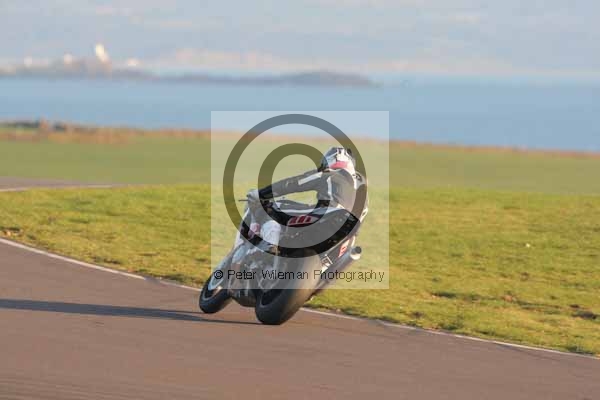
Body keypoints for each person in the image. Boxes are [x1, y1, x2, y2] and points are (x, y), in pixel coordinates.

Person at [244, 147, 368, 253]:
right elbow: (362, 215)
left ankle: (269, 245)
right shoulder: (362, 192)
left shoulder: (330, 174)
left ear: (334, 159)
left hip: (328, 214)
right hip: (347, 233)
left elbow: (294, 183)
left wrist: (260, 193)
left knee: (270, 208)